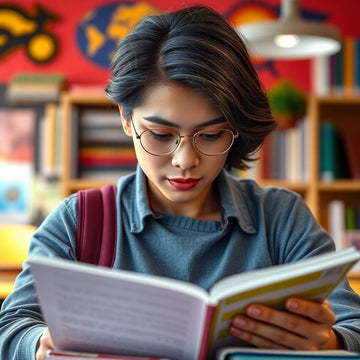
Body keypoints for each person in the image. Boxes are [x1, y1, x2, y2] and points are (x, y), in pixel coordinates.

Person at [1, 5, 360, 360]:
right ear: (127, 120)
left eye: (211, 135)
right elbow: (11, 329)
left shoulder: (281, 219)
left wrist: (329, 343)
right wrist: (40, 344)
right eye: (160, 134)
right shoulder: (78, 221)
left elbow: (353, 328)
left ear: (236, 129)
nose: (185, 161)